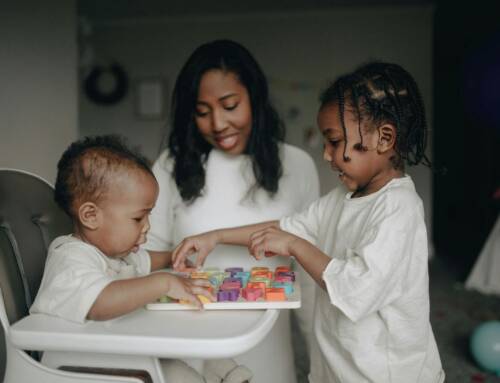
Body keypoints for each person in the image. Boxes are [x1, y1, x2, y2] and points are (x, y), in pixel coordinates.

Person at [171, 62, 446, 383]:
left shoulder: (399, 208)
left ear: (384, 138)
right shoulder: (342, 200)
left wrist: (295, 246)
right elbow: (286, 227)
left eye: (334, 141)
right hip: (342, 368)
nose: (327, 155)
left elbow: (356, 289)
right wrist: (215, 236)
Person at [144, 39, 320, 383]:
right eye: (202, 111)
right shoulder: (170, 166)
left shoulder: (297, 165)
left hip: (270, 351)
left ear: (254, 96)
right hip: (189, 349)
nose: (218, 123)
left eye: (229, 105)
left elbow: (310, 273)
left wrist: (321, 360)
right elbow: (145, 259)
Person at [30, 135, 252, 383]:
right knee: (183, 377)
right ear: (91, 216)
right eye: (138, 218)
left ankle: (230, 376)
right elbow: (100, 302)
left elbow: (147, 260)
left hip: (119, 351)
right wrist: (164, 283)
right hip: (81, 366)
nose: (147, 227)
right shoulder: (70, 259)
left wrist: (173, 257)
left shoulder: (119, 255)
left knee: (205, 345)